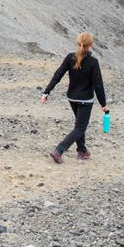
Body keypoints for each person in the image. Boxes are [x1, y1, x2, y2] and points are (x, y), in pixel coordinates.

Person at [40, 31, 108, 162]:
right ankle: (59, 150)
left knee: (79, 124)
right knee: (80, 127)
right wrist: (103, 104)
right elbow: (98, 85)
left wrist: (46, 92)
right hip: (85, 100)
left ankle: (82, 151)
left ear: (78, 43)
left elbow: (57, 75)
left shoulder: (70, 57)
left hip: (72, 98)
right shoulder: (93, 62)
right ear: (91, 45)